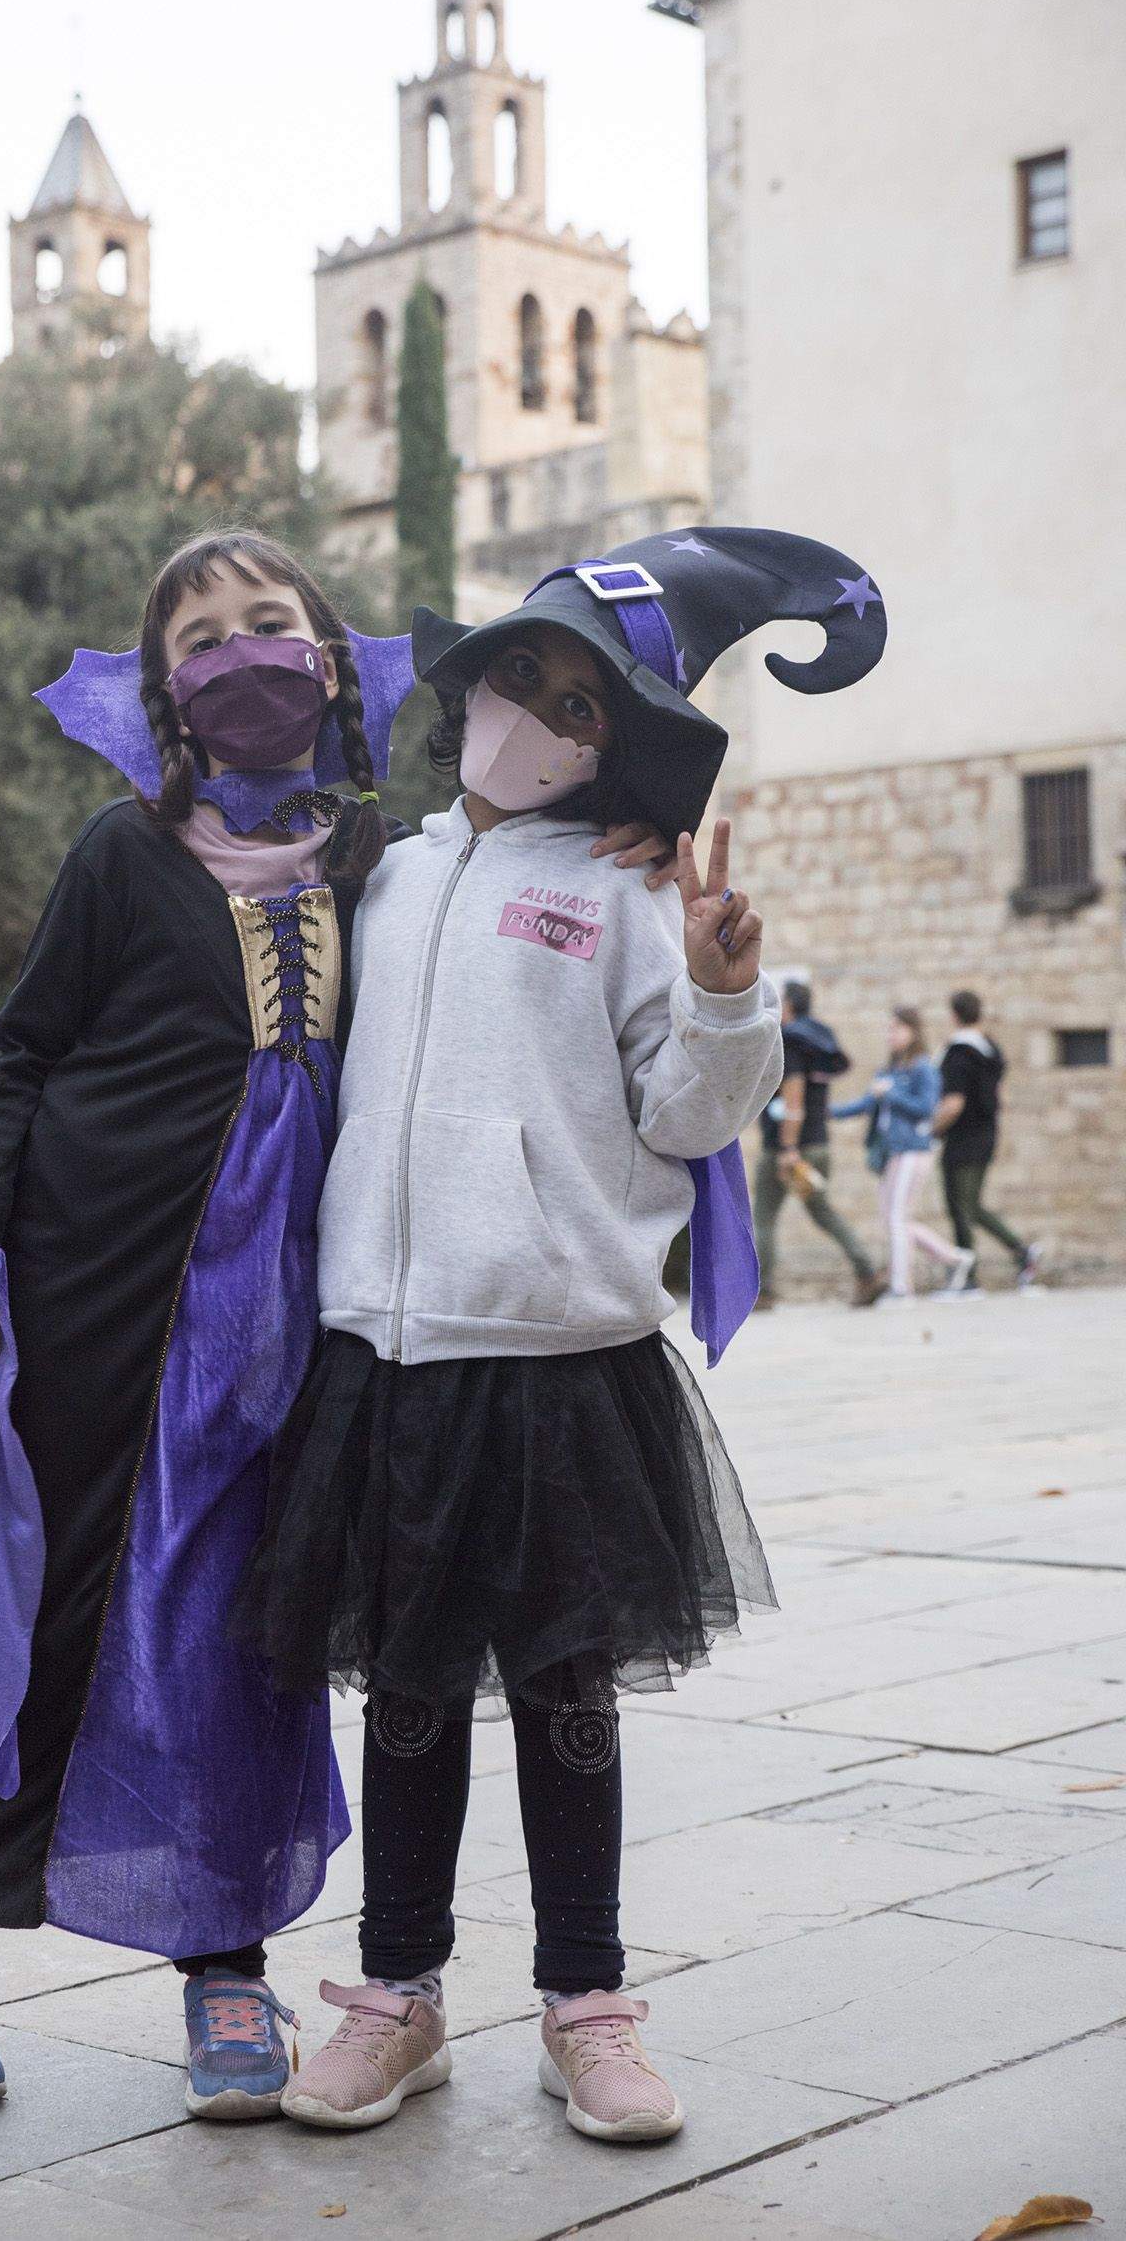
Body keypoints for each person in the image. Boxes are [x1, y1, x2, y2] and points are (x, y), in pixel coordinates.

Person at [0, 529, 678, 2124]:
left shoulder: (381, 859)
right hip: (91, 1305)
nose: (242, 653)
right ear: (166, 689)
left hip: (285, 1332)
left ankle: (227, 1963)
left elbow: (509, 900)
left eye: (270, 622)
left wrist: (625, 822)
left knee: (243, 1639)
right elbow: (19, 1054)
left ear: (331, 653)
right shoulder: (118, 854)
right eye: (203, 637)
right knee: (16, 1613)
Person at [238, 527, 886, 2144]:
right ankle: (397, 1997)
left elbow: (685, 1111)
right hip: (385, 1362)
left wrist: (730, 994)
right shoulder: (381, 876)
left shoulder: (620, 894)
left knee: (568, 1697)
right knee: (402, 1694)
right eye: (514, 675)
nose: (530, 712)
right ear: (468, 687)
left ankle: (588, 2007)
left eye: (577, 703)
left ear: (624, 744)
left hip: (558, 1365)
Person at [753, 981, 885, 1308]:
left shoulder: (795, 1043)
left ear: (791, 1006)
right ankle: (867, 1271)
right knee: (823, 1212)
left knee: (765, 1216)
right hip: (818, 1144)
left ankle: (761, 1291)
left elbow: (793, 1100)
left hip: (788, 1149)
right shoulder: (820, 1042)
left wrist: (787, 1148)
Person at [832, 1008, 968, 1299]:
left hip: (914, 1149)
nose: (891, 1035)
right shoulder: (890, 1070)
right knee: (895, 1219)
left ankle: (901, 1287)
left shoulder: (922, 1068)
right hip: (892, 1152)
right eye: (889, 1029)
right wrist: (825, 1113)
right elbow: (866, 1103)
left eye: (897, 1029)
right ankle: (955, 1259)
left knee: (896, 1217)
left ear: (913, 1032)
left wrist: (891, 1094)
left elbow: (927, 1108)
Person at [935, 990, 1043, 1294]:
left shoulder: (958, 1053)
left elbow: (953, 1103)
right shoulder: (989, 1049)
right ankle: (1020, 1252)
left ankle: (968, 1276)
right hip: (986, 1134)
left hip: (963, 1138)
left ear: (954, 1015)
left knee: (961, 1207)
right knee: (971, 1204)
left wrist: (929, 1131)